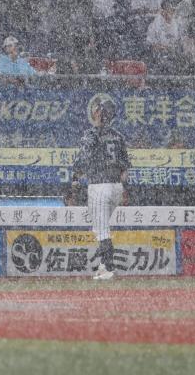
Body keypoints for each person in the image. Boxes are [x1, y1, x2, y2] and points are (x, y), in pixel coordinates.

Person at [71, 99, 130, 281]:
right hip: (116, 186)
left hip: (99, 185)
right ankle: (104, 265)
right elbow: (125, 168)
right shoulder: (118, 136)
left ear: (98, 113)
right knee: (101, 226)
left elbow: (81, 160)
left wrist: (75, 177)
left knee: (102, 230)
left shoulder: (91, 134)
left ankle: (109, 268)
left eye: (97, 110)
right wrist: (123, 189)